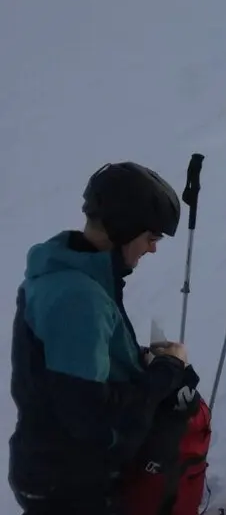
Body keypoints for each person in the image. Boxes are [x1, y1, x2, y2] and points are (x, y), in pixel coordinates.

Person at [9, 162, 193, 514]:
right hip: (70, 483)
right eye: (150, 238)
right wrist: (166, 371)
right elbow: (89, 413)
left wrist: (138, 360)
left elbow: (72, 375)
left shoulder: (73, 274)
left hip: (57, 468)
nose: (152, 249)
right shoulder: (77, 298)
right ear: (124, 229)